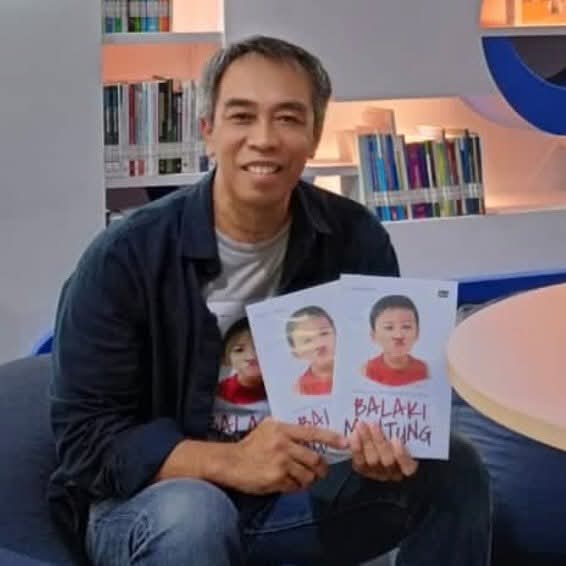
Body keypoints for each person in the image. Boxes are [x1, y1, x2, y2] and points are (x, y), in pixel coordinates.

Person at [49, 35, 491, 565]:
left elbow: (368, 399)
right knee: (196, 513)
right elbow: (86, 441)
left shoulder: (354, 236)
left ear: (314, 135)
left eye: (287, 118)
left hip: (294, 494)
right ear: (207, 130)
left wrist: (378, 446)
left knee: (454, 466)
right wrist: (231, 463)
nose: (263, 139)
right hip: (154, 506)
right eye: (242, 117)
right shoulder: (124, 257)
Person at [363, 295, 429, 387]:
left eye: (406, 326)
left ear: (417, 333)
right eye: (389, 327)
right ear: (373, 335)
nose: (398, 335)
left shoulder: (424, 370)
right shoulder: (367, 370)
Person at [286, 305, 336, 395]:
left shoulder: (355, 370)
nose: (319, 343)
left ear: (336, 334)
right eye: (307, 340)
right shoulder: (301, 389)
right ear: (296, 353)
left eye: (324, 333)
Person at [216, 317, 266, 405]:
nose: (251, 356)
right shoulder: (218, 393)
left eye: (259, 348)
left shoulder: (281, 388)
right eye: (239, 350)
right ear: (226, 357)